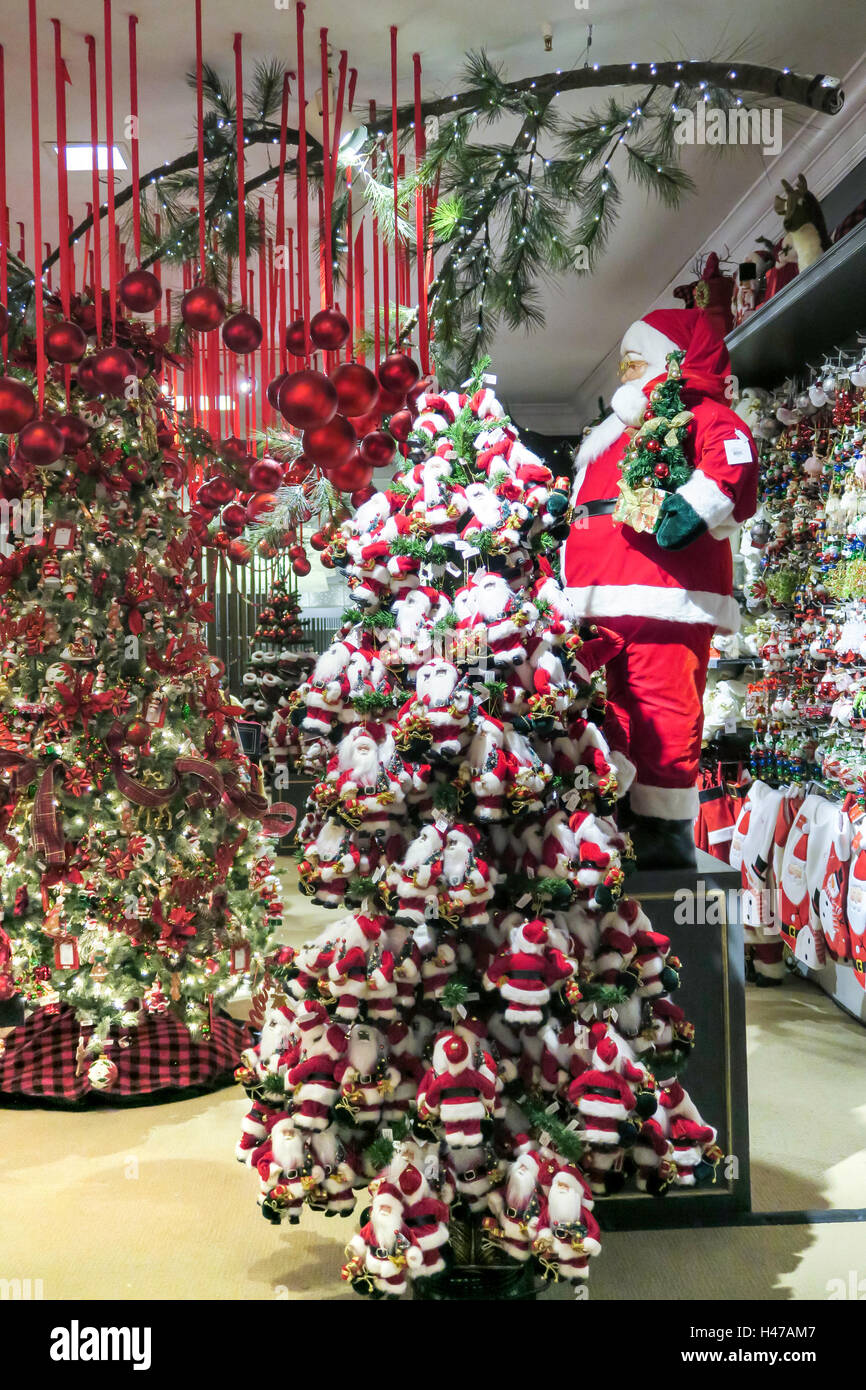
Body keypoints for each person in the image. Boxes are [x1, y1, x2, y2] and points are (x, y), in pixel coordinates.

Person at [562, 308, 758, 866]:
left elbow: (733, 459)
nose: (627, 375)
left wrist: (693, 509)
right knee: (614, 712)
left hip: (663, 593)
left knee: (667, 706)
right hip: (600, 598)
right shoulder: (621, 427)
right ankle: (617, 816)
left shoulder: (700, 413)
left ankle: (665, 834)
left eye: (636, 361)